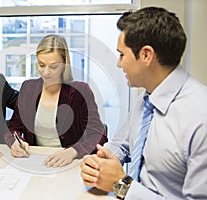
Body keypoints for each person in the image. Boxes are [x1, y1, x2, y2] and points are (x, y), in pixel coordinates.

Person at [80, 7, 207, 199]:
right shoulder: (147, 100)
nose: (119, 63)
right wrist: (98, 163)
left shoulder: (200, 117)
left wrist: (120, 185)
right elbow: (122, 145)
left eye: (122, 55)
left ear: (146, 55)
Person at [4, 34, 107, 167]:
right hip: (35, 162)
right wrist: (15, 141)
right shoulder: (28, 88)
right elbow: (13, 126)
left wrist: (74, 151)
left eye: (53, 67)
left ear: (64, 64)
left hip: (70, 163)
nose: (46, 72)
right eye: (41, 65)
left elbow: (98, 135)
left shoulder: (80, 91)